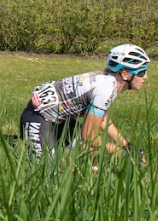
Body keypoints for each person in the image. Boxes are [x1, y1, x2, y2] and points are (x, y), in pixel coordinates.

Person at [19, 43, 149, 164]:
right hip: (38, 117)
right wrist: (121, 152)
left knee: (89, 151)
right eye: (142, 72)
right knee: (48, 176)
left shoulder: (107, 81)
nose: (145, 77)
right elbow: (88, 135)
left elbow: (103, 121)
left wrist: (127, 146)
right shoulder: (105, 89)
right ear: (125, 74)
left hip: (58, 119)